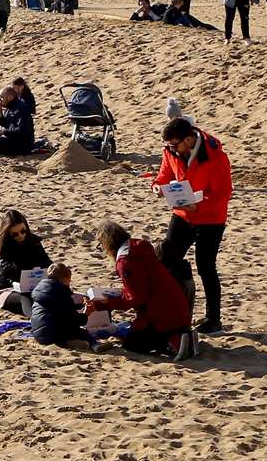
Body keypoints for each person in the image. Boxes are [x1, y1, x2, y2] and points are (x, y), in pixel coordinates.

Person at [155, 116, 233, 333]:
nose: (171, 149)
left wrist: (197, 206)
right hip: (182, 214)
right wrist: (157, 186)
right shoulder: (171, 151)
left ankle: (213, 319)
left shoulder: (215, 157)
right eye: (168, 145)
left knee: (206, 267)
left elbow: (222, 194)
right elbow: (164, 174)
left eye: (174, 144)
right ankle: (171, 311)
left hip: (210, 219)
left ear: (188, 140)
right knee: (167, 261)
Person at [88, 222, 195, 358]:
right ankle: (180, 335)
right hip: (174, 307)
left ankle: (174, 341)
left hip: (161, 314)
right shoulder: (137, 248)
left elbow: (136, 297)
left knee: (132, 344)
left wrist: (103, 304)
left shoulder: (125, 261)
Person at [0, 208, 52, 314]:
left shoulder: (34, 242)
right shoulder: (3, 248)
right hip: (10, 290)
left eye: (23, 231)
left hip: (35, 286)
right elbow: (7, 271)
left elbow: (46, 262)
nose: (20, 235)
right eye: (15, 234)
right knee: (26, 299)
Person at [30, 264, 91, 349]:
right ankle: (93, 345)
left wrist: (80, 305)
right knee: (84, 333)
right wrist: (86, 314)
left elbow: (59, 308)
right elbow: (73, 320)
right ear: (64, 279)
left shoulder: (42, 290)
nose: (69, 283)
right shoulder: (62, 293)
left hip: (38, 333)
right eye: (69, 280)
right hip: (53, 336)